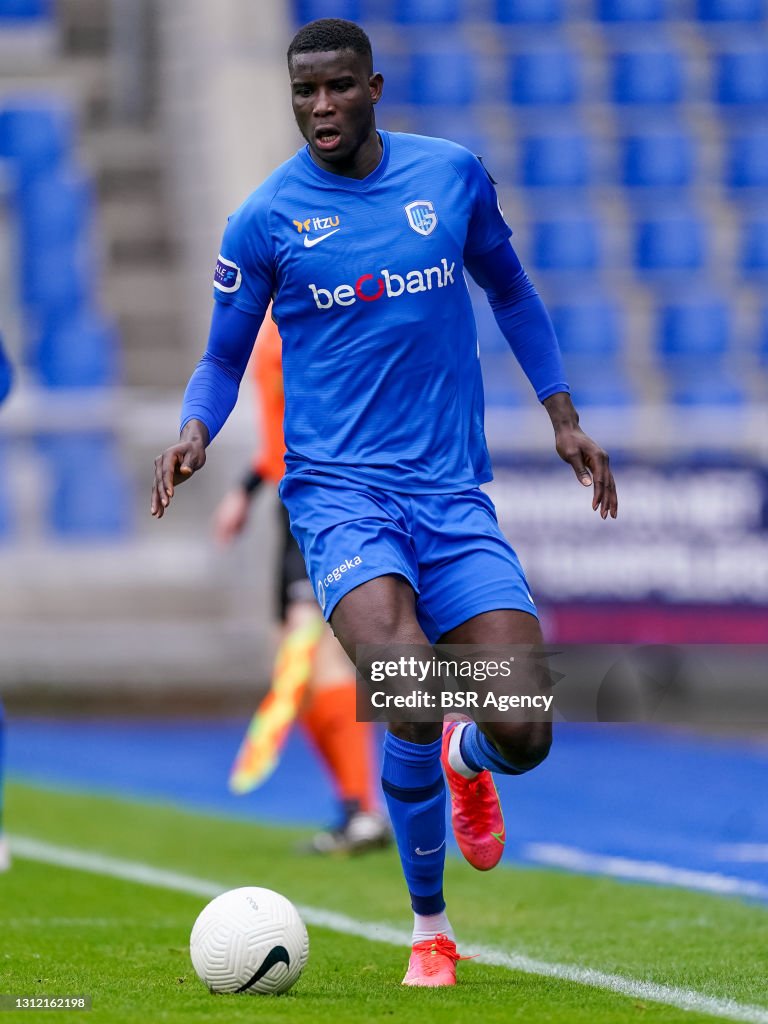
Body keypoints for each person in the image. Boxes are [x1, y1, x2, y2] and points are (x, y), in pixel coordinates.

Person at [151, 18, 618, 987]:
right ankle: (432, 929)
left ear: (372, 86)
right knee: (402, 680)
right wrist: (198, 429)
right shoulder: (267, 217)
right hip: (340, 498)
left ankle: (469, 752)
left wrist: (563, 416)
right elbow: (223, 354)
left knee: (526, 723)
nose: (319, 108)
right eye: (302, 93)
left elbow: (513, 289)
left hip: (452, 493)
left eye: (335, 89)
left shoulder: (450, 176)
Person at [212, 311, 390, 854]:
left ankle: (365, 810)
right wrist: (247, 487)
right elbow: (281, 428)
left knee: (316, 653)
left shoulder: (314, 314)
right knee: (292, 663)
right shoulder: (269, 323)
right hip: (292, 500)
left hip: (325, 503)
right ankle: (355, 809)